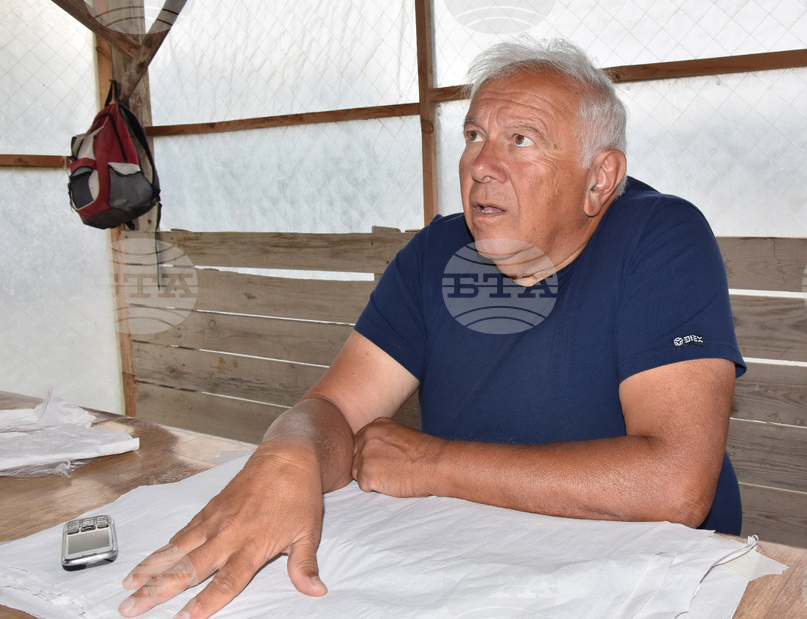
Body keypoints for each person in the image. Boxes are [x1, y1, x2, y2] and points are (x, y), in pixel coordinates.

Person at [118, 38, 745, 619]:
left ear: (600, 178)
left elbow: (676, 484)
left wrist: (435, 464)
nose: (482, 165)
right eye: (474, 135)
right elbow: (335, 410)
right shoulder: (438, 253)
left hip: (650, 580)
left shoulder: (660, 237)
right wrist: (288, 456)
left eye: (521, 139)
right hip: (478, 564)